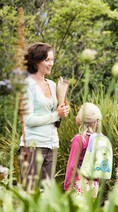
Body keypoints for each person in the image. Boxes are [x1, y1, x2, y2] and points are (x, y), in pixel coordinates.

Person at [19, 42, 69, 191]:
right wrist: (55, 115)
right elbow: (28, 120)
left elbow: (56, 112)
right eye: (47, 60)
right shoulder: (27, 85)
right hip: (32, 146)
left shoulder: (53, 85)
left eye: (52, 60)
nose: (51, 63)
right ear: (36, 61)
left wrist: (63, 111)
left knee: (48, 195)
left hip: (52, 145)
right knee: (29, 193)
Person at [64, 103, 102, 196]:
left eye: (78, 114)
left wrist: (67, 185)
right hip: (93, 185)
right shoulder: (100, 139)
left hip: (78, 184)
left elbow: (72, 165)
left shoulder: (79, 139)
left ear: (81, 120)